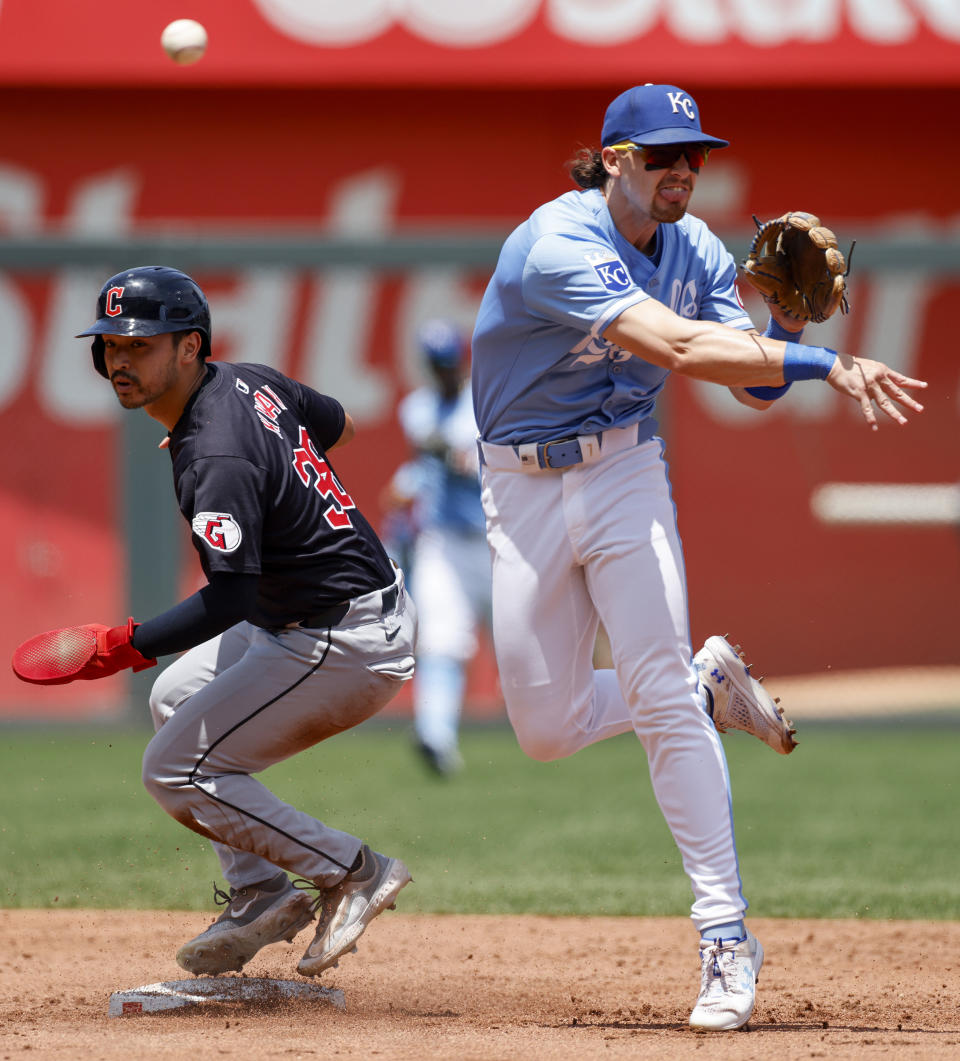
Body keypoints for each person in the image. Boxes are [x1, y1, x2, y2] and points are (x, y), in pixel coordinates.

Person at [470, 84, 927, 1031]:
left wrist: (790, 329)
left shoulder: (701, 251)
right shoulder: (554, 242)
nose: (684, 169)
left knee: (651, 692)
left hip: (624, 471)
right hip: (520, 486)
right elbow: (675, 343)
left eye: (696, 156)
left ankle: (725, 934)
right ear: (611, 160)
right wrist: (830, 364)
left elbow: (749, 382)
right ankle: (702, 683)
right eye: (662, 152)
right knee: (545, 727)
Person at [74, 265, 417, 979]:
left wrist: (124, 645)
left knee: (172, 769)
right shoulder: (248, 382)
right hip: (311, 615)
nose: (119, 360)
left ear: (191, 346)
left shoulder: (215, 451)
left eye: (141, 343)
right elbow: (339, 425)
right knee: (174, 699)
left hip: (340, 639)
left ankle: (353, 868)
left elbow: (228, 597)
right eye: (111, 345)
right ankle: (261, 892)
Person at [384, 320, 492, 775]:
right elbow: (422, 470)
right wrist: (405, 489)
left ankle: (571, 731)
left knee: (528, 645)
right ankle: (435, 736)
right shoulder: (418, 408)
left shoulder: (484, 403)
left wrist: (451, 456)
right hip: (443, 539)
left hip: (498, 540)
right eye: (436, 363)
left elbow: (488, 464)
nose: (443, 370)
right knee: (441, 640)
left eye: (448, 362)